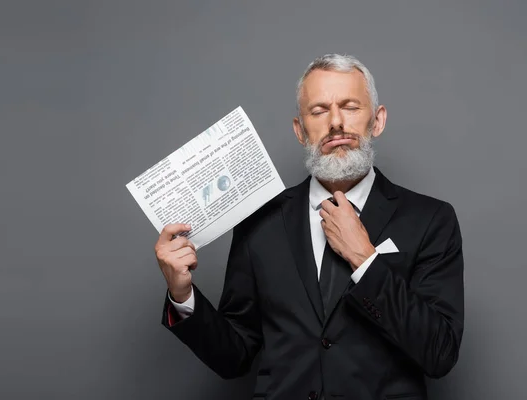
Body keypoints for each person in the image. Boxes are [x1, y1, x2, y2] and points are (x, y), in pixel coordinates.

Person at [154, 53, 464, 400]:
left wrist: (365, 259)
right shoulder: (259, 222)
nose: (335, 123)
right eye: (318, 110)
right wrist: (182, 296)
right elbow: (234, 357)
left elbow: (440, 353)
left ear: (377, 121)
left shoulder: (430, 220)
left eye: (350, 107)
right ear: (300, 131)